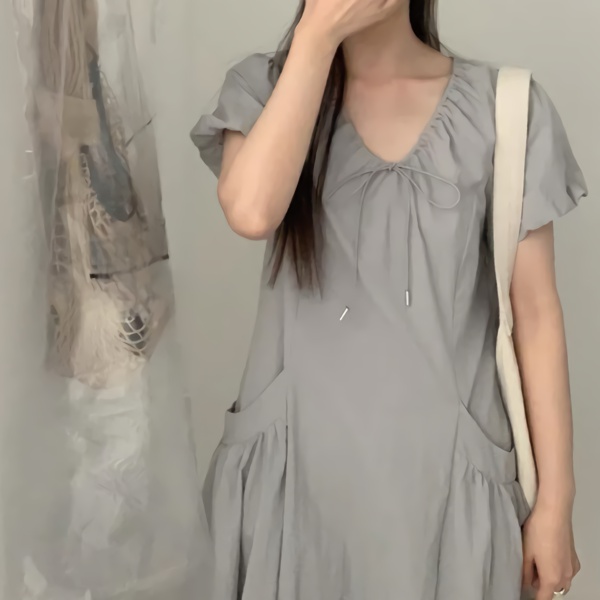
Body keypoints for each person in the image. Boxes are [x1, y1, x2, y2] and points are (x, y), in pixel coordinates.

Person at [191, 1, 588, 599]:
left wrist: (556, 503)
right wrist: (317, 37)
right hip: (297, 489)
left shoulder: (506, 109)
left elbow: (535, 316)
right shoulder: (263, 88)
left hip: (446, 489)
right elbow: (250, 211)